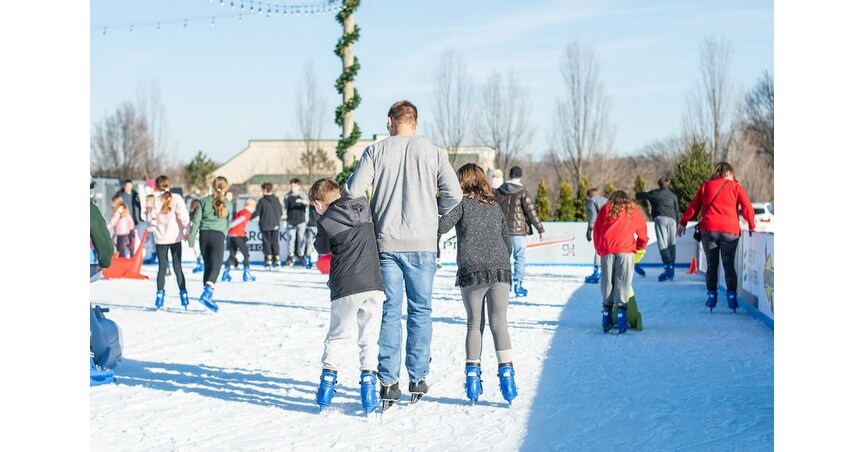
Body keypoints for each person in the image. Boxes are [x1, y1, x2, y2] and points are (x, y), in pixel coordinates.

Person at [344, 100, 462, 408]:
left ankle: (388, 381)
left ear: (389, 122)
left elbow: (353, 191)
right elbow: (455, 194)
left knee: (390, 312)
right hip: (423, 242)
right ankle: (418, 377)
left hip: (386, 242)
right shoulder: (434, 152)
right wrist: (433, 215)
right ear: (416, 123)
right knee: (421, 311)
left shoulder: (376, 151)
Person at [438, 163, 518, 405]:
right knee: (499, 324)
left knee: (475, 325)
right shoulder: (494, 205)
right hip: (499, 269)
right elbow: (508, 242)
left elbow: (441, 227)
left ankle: (473, 380)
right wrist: (499, 258)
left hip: (472, 270)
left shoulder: (461, 203)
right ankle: (508, 379)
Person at [308, 178, 385, 414]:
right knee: (369, 339)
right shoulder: (363, 207)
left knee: (337, 337)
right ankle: (369, 389)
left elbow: (322, 249)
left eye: (314, 206)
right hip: (373, 283)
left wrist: (319, 219)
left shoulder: (326, 220)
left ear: (320, 203)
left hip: (345, 286)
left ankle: (326, 387)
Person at [677, 162, 755, 313]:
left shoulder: (706, 186)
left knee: (712, 265)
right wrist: (751, 225)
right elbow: (747, 208)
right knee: (729, 265)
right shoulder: (736, 187)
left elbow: (694, 206)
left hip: (709, 230)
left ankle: (712, 295)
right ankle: (731, 296)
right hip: (730, 232)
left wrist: (683, 223)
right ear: (729, 173)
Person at [592, 191, 648, 334]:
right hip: (626, 250)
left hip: (607, 250)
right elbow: (642, 231)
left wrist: (599, 249)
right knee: (623, 281)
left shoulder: (606, 208)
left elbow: (597, 230)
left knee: (608, 282)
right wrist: (641, 246)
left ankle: (606, 316)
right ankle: (622, 319)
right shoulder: (633, 209)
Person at [495, 165, 545, 297]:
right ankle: (518, 284)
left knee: (503, 259)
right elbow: (531, 212)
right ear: (520, 176)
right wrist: (540, 229)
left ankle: (504, 284)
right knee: (519, 258)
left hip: (501, 231)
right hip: (518, 232)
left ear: (510, 175)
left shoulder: (499, 191)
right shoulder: (522, 192)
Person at [188, 176, 234, 313]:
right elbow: (228, 223)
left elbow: (196, 221)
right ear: (226, 188)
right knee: (216, 266)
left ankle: (207, 296)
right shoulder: (228, 204)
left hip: (204, 236)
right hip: (218, 236)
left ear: (213, 186)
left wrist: (191, 237)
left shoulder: (203, 202)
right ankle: (207, 294)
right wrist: (224, 234)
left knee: (208, 265)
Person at [149, 175, 191, 310]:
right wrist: (187, 230)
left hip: (161, 239)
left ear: (156, 186)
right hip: (175, 238)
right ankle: (183, 295)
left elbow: (152, 218)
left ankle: (160, 295)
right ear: (169, 184)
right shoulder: (176, 198)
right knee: (178, 267)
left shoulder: (155, 200)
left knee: (162, 268)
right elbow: (183, 216)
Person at [635, 177, 680, 281]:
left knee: (662, 243)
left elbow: (639, 196)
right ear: (668, 184)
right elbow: (677, 210)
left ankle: (668, 266)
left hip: (660, 218)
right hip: (672, 220)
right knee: (671, 244)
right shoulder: (673, 195)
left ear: (659, 184)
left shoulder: (654, 193)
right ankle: (671, 269)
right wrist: (678, 223)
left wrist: (638, 195)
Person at [221, 197, 257, 283]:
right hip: (238, 234)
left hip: (232, 235)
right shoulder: (247, 212)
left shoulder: (240, 211)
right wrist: (229, 226)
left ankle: (226, 273)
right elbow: (239, 221)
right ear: (251, 206)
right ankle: (246, 274)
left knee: (232, 254)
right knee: (246, 254)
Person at [251, 182, 283, 271]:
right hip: (275, 225)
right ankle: (277, 260)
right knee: (275, 242)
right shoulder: (276, 200)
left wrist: (247, 217)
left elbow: (257, 212)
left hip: (265, 225)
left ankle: (268, 260)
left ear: (265, 190)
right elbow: (281, 212)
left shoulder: (262, 201)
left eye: (262, 190)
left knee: (267, 243)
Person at [283, 178, 310, 267]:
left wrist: (304, 202)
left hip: (301, 221)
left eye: (294, 186)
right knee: (291, 238)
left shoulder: (303, 195)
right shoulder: (287, 196)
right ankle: (290, 256)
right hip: (291, 221)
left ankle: (301, 254)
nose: (292, 188)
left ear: (298, 186)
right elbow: (284, 207)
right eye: (291, 186)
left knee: (301, 238)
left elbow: (309, 204)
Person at [584, 187, 608, 283]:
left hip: (601, 227)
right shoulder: (606, 200)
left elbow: (593, 216)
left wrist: (590, 229)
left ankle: (597, 272)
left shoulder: (591, 201)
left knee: (599, 248)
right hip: (611, 227)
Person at [188, 199, 205, 274]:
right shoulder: (203, 212)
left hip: (195, 232)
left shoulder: (192, 213)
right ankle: (201, 263)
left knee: (196, 248)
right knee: (201, 248)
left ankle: (200, 263)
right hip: (202, 231)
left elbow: (191, 223)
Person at [303, 200, 320, 269]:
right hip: (315, 225)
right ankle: (309, 259)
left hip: (314, 225)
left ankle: (308, 259)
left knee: (310, 243)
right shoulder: (320, 204)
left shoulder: (310, 204)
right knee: (317, 243)